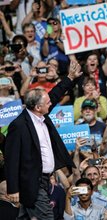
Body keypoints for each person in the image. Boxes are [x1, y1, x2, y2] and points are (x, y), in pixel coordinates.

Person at [4, 60, 82, 219]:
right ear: (37, 107)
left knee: (25, 217)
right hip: (32, 181)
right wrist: (13, 189)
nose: (50, 103)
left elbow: (55, 93)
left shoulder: (41, 113)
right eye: (47, 103)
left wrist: (70, 77)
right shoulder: (18, 126)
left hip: (46, 180)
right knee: (47, 217)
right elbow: (11, 159)